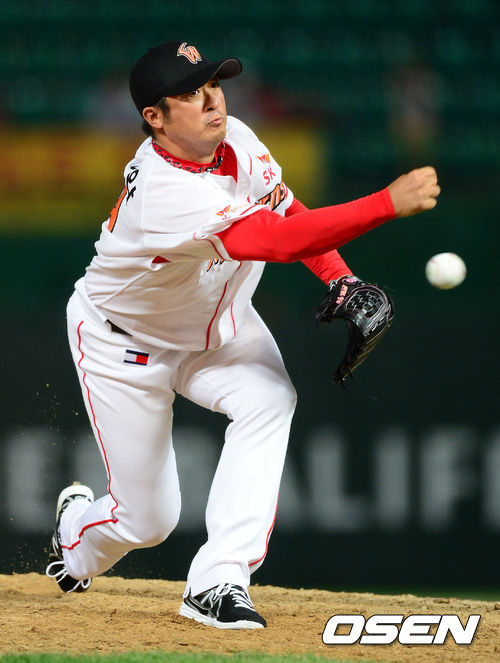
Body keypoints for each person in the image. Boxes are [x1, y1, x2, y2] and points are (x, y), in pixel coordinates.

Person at [46, 40, 440, 629]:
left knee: (270, 399)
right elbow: (278, 243)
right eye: (190, 94)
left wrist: (342, 278)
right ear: (155, 117)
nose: (212, 100)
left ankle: (218, 580)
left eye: (214, 84)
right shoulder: (164, 192)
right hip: (124, 342)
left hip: (216, 320)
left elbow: (286, 209)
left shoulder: (237, 140)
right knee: (147, 521)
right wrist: (384, 203)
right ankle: (77, 535)